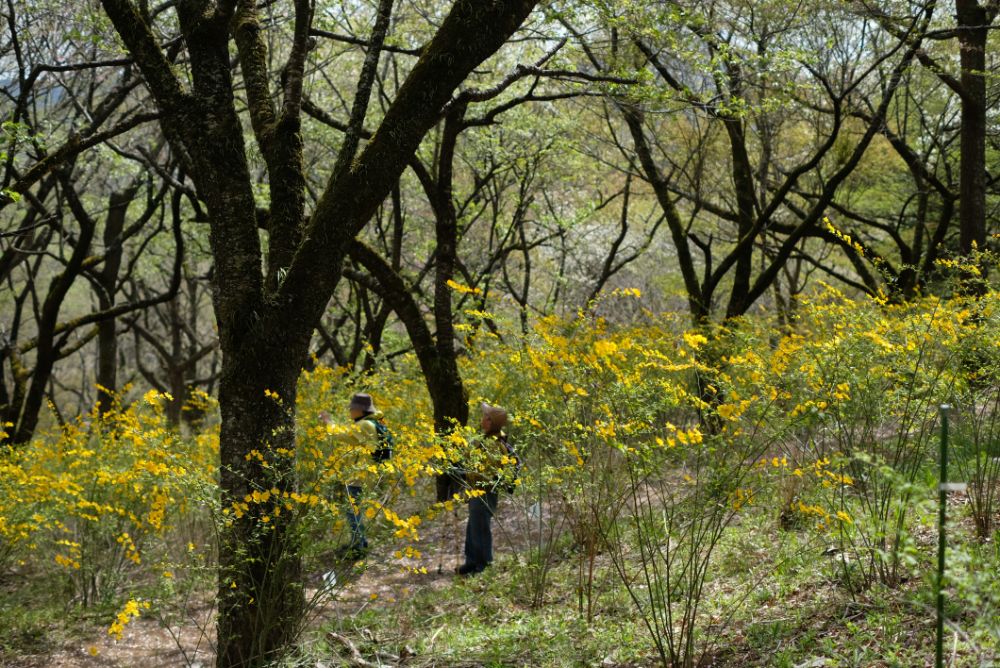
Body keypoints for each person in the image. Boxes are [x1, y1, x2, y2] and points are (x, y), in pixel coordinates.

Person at [319, 393, 392, 559]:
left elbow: (344, 437)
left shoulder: (365, 425)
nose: (350, 411)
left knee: (353, 512)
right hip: (361, 475)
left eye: (352, 408)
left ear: (360, 410)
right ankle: (359, 542)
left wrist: (328, 423)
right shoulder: (369, 423)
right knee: (355, 511)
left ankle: (358, 548)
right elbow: (351, 438)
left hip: (358, 476)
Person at [457, 402, 515, 576]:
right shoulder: (487, 440)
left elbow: (485, 473)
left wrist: (465, 473)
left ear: (490, 422)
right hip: (477, 491)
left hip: (485, 492)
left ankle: (483, 566)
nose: (482, 419)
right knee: (473, 526)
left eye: (485, 417)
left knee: (480, 527)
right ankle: (472, 561)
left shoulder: (492, 444)